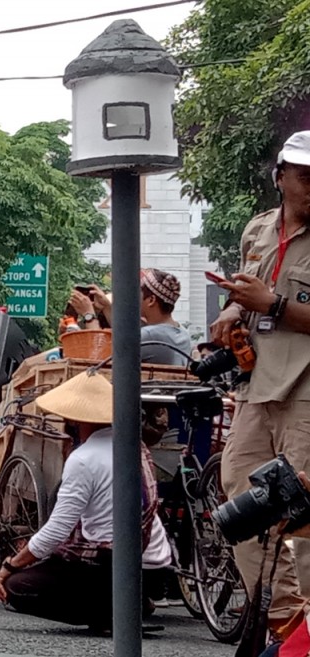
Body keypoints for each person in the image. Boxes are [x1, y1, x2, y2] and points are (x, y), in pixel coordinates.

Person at [209, 130, 310, 640]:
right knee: (239, 498)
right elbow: (246, 288)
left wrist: (272, 305)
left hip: (307, 391)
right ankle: (287, 620)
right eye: (306, 177)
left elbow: (270, 301)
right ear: (281, 178)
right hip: (256, 386)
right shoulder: (258, 231)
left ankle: (302, 627)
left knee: (304, 510)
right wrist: (230, 312)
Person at [0, 372, 172, 632]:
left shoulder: (84, 458)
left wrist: (9, 566)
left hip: (116, 567)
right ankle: (129, 604)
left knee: (17, 587)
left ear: (75, 419)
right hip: (155, 567)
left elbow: (56, 531)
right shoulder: (137, 445)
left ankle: (108, 614)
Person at [71, 268, 192, 366]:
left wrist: (88, 315)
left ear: (151, 300)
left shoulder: (150, 335)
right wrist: (107, 307)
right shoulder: (183, 335)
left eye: (138, 292)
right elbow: (125, 335)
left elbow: (97, 354)